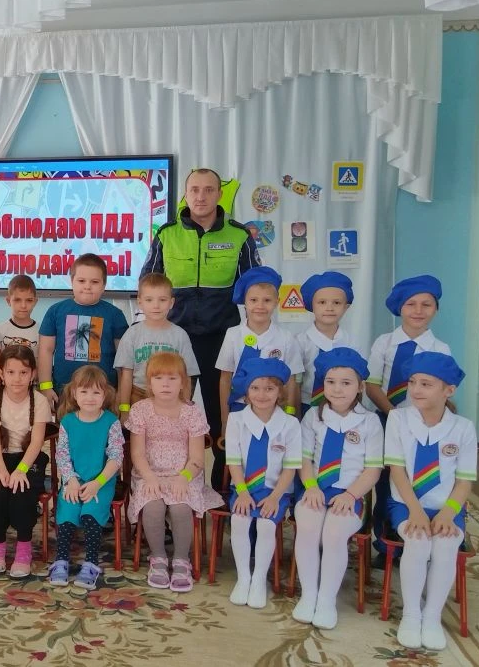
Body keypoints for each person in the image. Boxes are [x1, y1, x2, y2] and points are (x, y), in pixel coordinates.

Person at [140, 168, 260, 491]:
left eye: (208, 190)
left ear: (219, 194)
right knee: (168, 414)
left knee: (223, 417)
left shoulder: (239, 236)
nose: (201, 196)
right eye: (194, 189)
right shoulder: (167, 234)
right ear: (186, 194)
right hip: (175, 339)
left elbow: (255, 286)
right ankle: (165, 490)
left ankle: (223, 488)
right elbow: (148, 282)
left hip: (221, 338)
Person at [384, 353, 476, 651]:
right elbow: (397, 471)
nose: (416, 389)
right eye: (412, 382)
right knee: (418, 540)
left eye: (426, 384)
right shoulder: (398, 418)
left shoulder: (463, 428)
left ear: (448, 390)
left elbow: (464, 481)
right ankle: (411, 615)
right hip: (406, 504)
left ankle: (432, 616)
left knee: (446, 545)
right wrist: (415, 511)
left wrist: (448, 513)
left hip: (447, 507)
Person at [292, 348, 382, 629]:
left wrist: (351, 494)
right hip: (315, 489)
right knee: (308, 528)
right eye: (331, 382)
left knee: (333, 534)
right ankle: (309, 595)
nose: (337, 389)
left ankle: (327, 599)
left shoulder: (370, 422)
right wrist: (310, 486)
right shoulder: (312, 417)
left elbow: (373, 469)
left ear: (360, 387)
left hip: (350, 493)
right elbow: (304, 459)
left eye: (346, 383)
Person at [366, 275, 451, 567]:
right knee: (385, 482)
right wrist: (394, 415)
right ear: (399, 308)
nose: (418, 310)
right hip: (387, 417)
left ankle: (421, 535)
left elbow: (442, 391)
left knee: (418, 478)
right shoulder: (385, 342)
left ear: (436, 309)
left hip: (424, 424)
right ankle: (386, 544)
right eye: (411, 304)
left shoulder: (440, 349)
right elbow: (372, 385)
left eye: (426, 304)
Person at [127, 352, 222, 591]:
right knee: (153, 506)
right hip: (149, 473)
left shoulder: (192, 412)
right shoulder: (140, 409)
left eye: (172, 378)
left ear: (183, 383)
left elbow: (197, 458)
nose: (166, 384)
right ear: (149, 383)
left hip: (184, 475)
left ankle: (181, 560)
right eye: (158, 378)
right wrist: (150, 477)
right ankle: (158, 557)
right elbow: (137, 454)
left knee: (180, 507)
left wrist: (184, 478)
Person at [225, 357, 301, 609]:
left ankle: (259, 579)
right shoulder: (236, 420)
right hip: (244, 487)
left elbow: (290, 467)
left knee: (266, 524)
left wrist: (275, 497)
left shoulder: (290, 424)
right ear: (246, 391)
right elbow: (233, 461)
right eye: (255, 388)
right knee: (239, 519)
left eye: (269, 388)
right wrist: (242, 492)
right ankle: (243, 578)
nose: (262, 394)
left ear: (280, 392)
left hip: (275, 491)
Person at [48, 366, 125, 591]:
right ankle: (61, 560)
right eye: (84, 391)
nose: (90, 398)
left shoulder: (111, 422)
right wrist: (71, 481)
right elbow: (62, 455)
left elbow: (116, 457)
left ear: (105, 394)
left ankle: (91, 564)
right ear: (74, 393)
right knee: (67, 515)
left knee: (91, 515)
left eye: (96, 392)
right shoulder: (68, 422)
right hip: (73, 481)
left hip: (101, 482)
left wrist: (97, 484)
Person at [0, 345, 52, 578]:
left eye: (23, 372)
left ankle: (24, 548)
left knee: (22, 492)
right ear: (1, 373)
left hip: (28, 458)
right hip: (0, 456)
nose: (17, 378)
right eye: (11, 372)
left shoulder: (39, 401)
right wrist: (0, 469)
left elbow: (37, 441)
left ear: (33, 374)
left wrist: (22, 470)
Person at [38, 254, 129, 410]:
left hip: (103, 394)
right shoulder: (55, 311)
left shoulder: (115, 315)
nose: (87, 286)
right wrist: (45, 386)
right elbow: (45, 350)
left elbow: (124, 359)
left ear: (104, 285)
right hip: (65, 392)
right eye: (81, 281)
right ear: (71, 281)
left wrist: (121, 395)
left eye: (95, 282)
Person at [217, 266, 304, 426]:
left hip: (276, 410)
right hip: (240, 408)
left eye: (267, 300)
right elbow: (225, 379)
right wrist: (224, 420)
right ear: (244, 302)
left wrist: (291, 414)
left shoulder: (286, 337)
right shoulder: (233, 335)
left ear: (277, 302)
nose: (260, 306)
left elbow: (292, 380)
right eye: (253, 300)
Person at [114, 274, 199, 410]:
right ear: (140, 302)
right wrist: (124, 408)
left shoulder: (180, 335)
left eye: (162, 300)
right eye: (149, 300)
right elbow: (126, 375)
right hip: (138, 393)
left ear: (171, 303)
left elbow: (187, 375)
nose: (156, 305)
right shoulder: (132, 334)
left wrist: (185, 409)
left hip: (171, 396)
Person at [296, 272, 363, 415]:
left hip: (344, 408)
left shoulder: (351, 342)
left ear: (346, 307)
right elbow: (295, 383)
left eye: (336, 303)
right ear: (311, 305)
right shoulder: (300, 342)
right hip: (307, 406)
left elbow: (358, 381)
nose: (329, 308)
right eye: (322, 302)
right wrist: (296, 415)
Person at [0, 274, 40, 355]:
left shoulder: (41, 332)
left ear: (35, 302)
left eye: (29, 300)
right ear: (8, 301)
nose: (23, 306)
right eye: (17, 300)